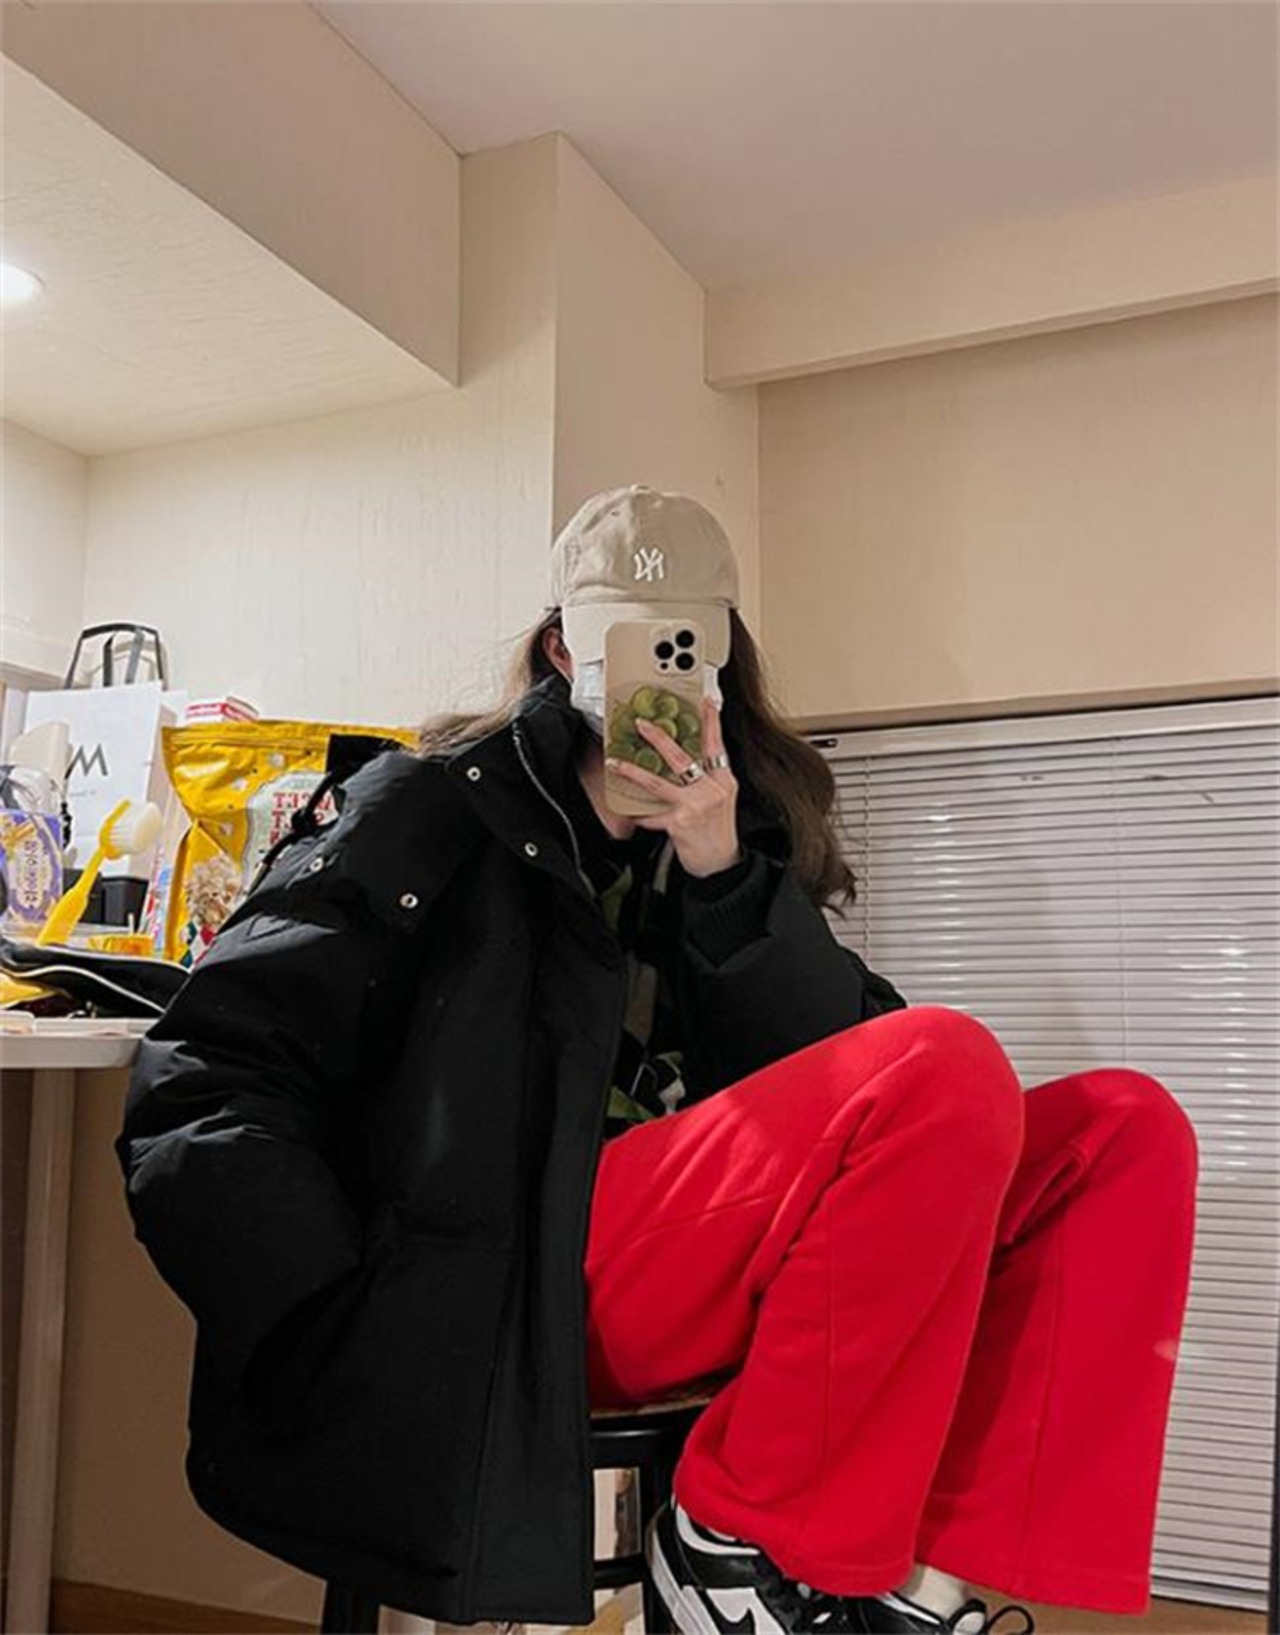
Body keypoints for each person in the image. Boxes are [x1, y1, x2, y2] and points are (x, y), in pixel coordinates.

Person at [115, 485, 1199, 1635]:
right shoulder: (427, 810)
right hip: (496, 1280)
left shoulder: (744, 844)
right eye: (627, 641)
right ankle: (739, 1546)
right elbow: (205, 1079)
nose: (659, 675)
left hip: (704, 1260)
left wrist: (725, 876)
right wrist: (336, 1317)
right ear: (559, 649)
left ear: (720, 657)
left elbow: (874, 1091)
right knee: (942, 1060)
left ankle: (910, 1588)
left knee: (1120, 1131)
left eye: (684, 645)